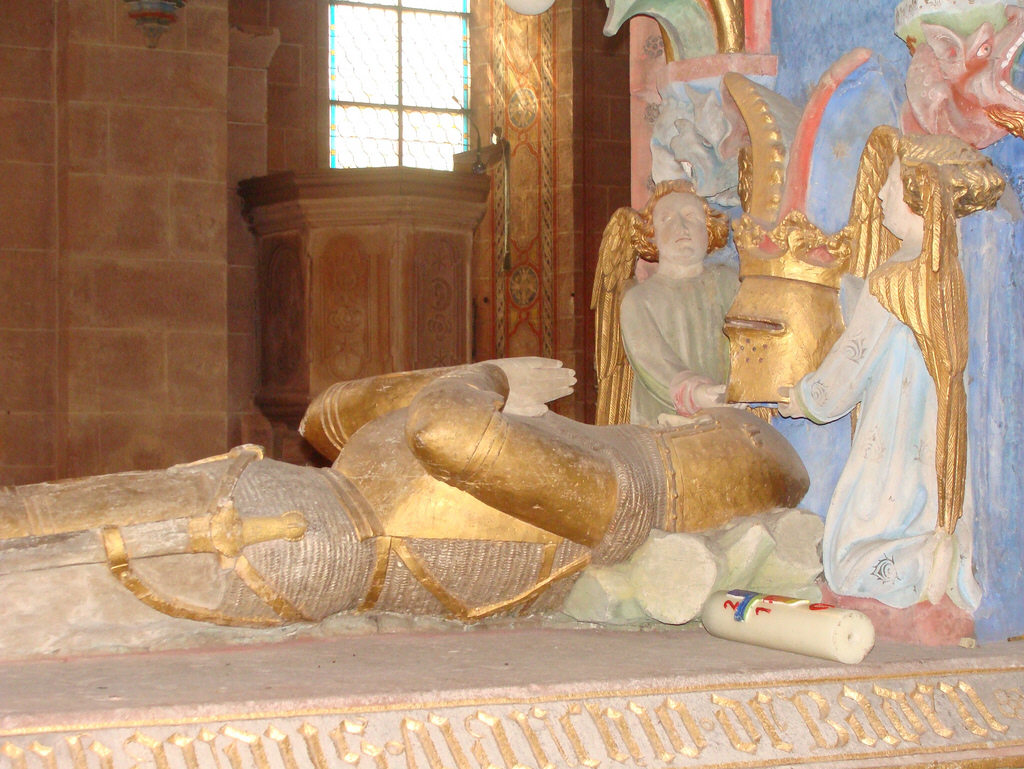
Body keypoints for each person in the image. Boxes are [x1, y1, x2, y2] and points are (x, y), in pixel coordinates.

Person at [0, 358, 807, 656]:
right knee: (23, 517)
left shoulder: (615, 491)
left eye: (708, 424)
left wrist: (492, 376)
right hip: (279, 502)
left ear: (713, 456)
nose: (677, 416)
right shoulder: (588, 452)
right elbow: (330, 415)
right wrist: (481, 376)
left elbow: (443, 430)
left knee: (34, 577)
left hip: (290, 543)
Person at [778, 127, 1004, 609]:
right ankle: (942, 551)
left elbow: (850, 365)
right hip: (940, 434)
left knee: (848, 558)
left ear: (919, 194)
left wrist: (802, 397)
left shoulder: (893, 277)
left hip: (894, 434)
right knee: (926, 511)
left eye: (893, 183)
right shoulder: (950, 269)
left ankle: (922, 561)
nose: (880, 193)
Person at [593, 180, 738, 426]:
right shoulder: (640, 299)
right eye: (667, 219)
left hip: (727, 418)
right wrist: (693, 392)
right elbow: (652, 358)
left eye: (691, 217)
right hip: (663, 420)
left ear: (709, 230)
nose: (681, 227)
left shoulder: (729, 283)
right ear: (651, 236)